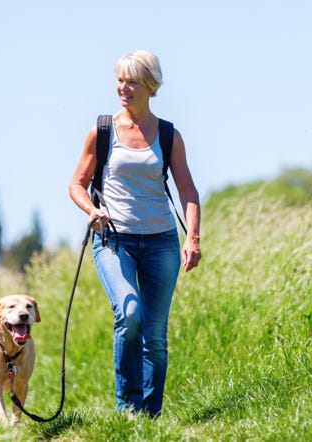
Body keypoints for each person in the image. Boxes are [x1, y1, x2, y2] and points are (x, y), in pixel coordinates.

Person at [68, 50, 202, 418]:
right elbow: (77, 184)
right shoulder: (103, 130)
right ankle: (127, 408)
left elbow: (188, 191)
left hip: (161, 242)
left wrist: (192, 237)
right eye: (119, 80)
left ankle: (150, 416)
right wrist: (92, 210)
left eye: (131, 81)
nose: (122, 87)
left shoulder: (169, 134)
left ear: (149, 85)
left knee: (155, 337)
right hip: (114, 240)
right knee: (129, 314)